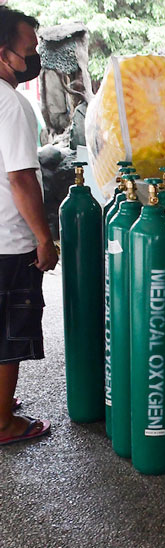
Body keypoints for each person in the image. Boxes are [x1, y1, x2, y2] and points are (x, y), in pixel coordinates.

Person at [0, 6, 56, 446]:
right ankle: (3, 423)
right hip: (8, 240)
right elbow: (20, 178)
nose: (34, 57)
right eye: (29, 50)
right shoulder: (12, 104)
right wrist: (44, 238)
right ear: (4, 54)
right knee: (9, 335)